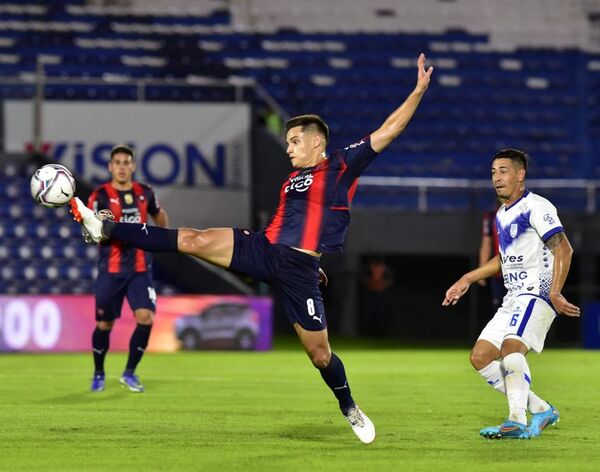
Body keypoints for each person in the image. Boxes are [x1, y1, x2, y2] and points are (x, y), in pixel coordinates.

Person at [70, 53, 433, 444]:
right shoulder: (291, 181)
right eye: (287, 142)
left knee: (320, 355)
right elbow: (295, 224)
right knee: (192, 238)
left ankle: (349, 407)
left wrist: (417, 91)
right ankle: (105, 227)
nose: (289, 148)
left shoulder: (342, 165)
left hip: (299, 271)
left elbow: (388, 130)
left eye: (295, 141)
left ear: (317, 142)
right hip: (262, 248)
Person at [442, 149, 580, 439]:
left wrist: (554, 291)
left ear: (520, 175)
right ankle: (541, 408)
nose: (497, 177)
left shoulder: (536, 206)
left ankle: (516, 420)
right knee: (480, 357)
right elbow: (504, 260)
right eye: (493, 172)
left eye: (503, 171)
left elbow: (563, 247)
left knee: (511, 349)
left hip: (538, 292)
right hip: (513, 296)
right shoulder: (502, 214)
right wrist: (467, 278)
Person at [88, 144, 169, 393]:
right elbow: (91, 233)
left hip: (140, 269)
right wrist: (100, 229)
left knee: (146, 318)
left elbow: (159, 214)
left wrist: (162, 238)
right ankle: (99, 373)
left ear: (132, 166)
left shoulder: (145, 192)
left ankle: (129, 373)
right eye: (118, 163)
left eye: (126, 162)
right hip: (111, 270)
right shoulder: (99, 196)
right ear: (110, 167)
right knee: (105, 325)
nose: (122, 167)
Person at [477, 201, 506, 308]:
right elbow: (486, 245)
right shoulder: (490, 217)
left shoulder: (524, 213)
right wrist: (481, 271)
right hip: (498, 273)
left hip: (520, 273)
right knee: (499, 310)